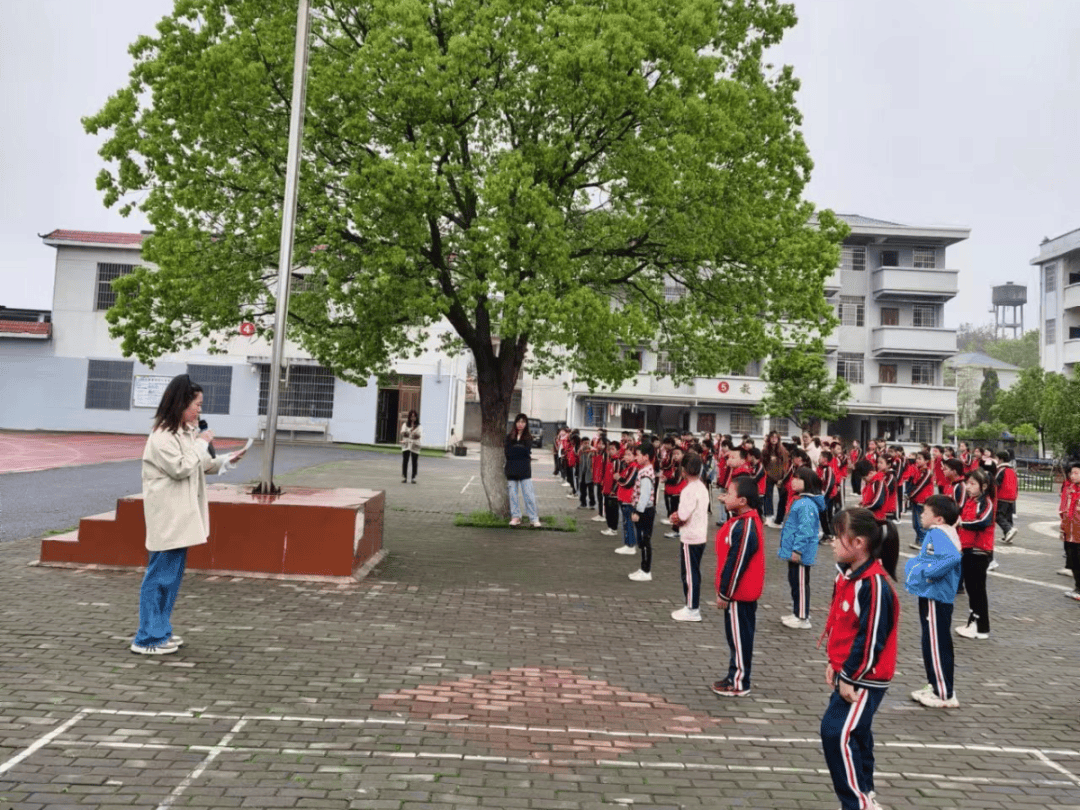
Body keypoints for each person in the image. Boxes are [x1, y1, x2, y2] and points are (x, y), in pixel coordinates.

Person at [132, 374, 245, 655]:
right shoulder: (162, 437)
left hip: (181, 516)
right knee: (158, 578)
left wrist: (224, 461)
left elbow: (198, 464)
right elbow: (181, 467)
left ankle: (160, 630)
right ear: (181, 403)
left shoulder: (183, 434)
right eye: (197, 404)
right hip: (168, 517)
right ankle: (146, 638)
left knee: (170, 579)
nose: (199, 411)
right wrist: (201, 442)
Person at [820, 507, 900, 810]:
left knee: (836, 733)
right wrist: (834, 661)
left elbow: (871, 639)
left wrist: (850, 676)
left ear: (858, 544)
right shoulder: (849, 576)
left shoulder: (874, 585)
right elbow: (842, 626)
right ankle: (866, 793)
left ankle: (858, 803)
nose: (831, 541)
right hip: (853, 672)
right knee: (857, 733)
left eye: (838, 536)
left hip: (866, 677)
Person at [905, 494, 963, 709]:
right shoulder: (940, 532)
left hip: (935, 595)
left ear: (939, 519)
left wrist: (929, 573)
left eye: (926, 512)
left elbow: (951, 558)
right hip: (933, 594)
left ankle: (944, 693)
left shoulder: (938, 534)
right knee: (931, 641)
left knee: (937, 643)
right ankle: (935, 684)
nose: (921, 515)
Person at [711, 476, 765, 697]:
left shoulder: (746, 526)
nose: (725, 497)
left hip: (739, 594)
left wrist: (725, 592)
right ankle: (735, 673)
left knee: (740, 638)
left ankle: (740, 681)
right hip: (738, 593)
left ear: (742, 500)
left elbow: (737, 562)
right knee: (735, 636)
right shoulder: (741, 520)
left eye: (730, 494)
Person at [777, 466, 825, 630]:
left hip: (800, 553)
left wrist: (797, 550)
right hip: (794, 551)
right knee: (795, 582)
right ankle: (798, 611)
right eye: (793, 478)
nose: (793, 481)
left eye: (798, 478)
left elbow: (806, 530)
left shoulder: (806, 503)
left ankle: (803, 617)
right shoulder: (800, 500)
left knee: (801, 584)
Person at [955, 468, 995, 640]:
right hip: (968, 549)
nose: (968, 487)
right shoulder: (970, 501)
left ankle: (981, 626)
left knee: (978, 589)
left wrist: (961, 524)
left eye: (973, 484)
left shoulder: (986, 502)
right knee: (972, 588)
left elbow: (982, 522)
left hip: (980, 551)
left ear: (984, 486)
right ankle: (973, 621)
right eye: (967, 483)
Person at [671, 453, 709, 622]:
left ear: (684, 470)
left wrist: (675, 517)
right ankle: (692, 605)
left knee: (689, 574)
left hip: (690, 536)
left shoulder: (688, 490)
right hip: (700, 535)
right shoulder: (702, 487)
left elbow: (683, 515)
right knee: (693, 572)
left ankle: (692, 607)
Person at [505, 414, 542, 528]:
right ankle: (516, 517)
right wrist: (518, 450)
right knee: (513, 495)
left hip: (524, 470)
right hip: (511, 469)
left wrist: (516, 449)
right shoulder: (509, 437)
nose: (520, 424)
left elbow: (526, 452)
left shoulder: (528, 438)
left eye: (523, 422)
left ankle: (533, 518)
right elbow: (508, 453)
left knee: (528, 494)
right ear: (515, 423)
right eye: (519, 421)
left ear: (526, 424)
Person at [628, 444, 658, 582]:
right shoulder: (644, 470)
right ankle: (643, 568)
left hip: (645, 511)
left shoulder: (646, 473)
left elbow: (644, 497)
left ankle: (646, 571)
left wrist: (637, 512)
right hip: (644, 509)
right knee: (642, 540)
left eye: (638, 454)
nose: (636, 457)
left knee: (644, 541)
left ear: (646, 457)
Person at [1060, 463, 1080, 600]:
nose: (1072, 476)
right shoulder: (1069, 489)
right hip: (1070, 532)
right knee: (1072, 561)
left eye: (1076, 473)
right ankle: (1078, 587)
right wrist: (1063, 529)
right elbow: (1065, 512)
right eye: (1072, 473)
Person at [994, 450, 1018, 544]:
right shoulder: (1012, 469)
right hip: (1012, 497)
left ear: (1001, 459)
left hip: (1002, 496)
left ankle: (1008, 530)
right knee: (1008, 517)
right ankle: (1008, 536)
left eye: (997, 458)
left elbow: (996, 483)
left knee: (998, 516)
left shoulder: (1001, 469)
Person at [400, 410, 421, 483]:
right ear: (409, 417)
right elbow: (403, 433)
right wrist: (409, 434)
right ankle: (405, 477)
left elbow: (418, 435)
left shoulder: (419, 426)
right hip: (406, 444)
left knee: (414, 461)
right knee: (405, 460)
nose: (413, 418)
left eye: (414, 417)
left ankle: (413, 477)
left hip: (415, 445)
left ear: (416, 417)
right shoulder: (405, 424)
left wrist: (411, 434)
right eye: (411, 416)